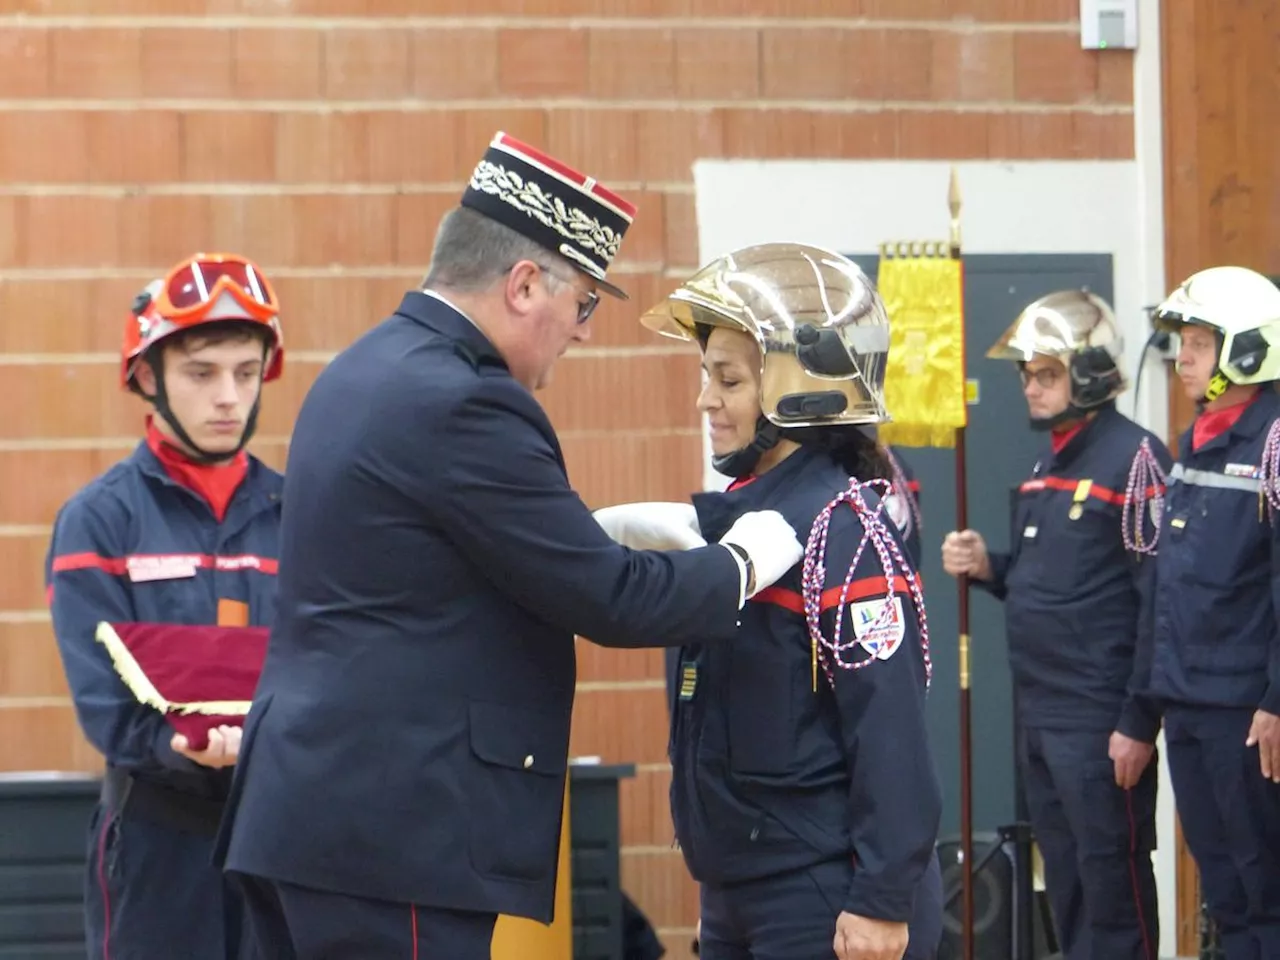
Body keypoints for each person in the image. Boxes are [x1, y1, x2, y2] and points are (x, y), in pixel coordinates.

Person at [213, 131, 804, 959]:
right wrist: (740, 562)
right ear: (525, 283)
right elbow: (611, 600)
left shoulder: (365, 368)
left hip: (316, 817)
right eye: (585, 303)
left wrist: (589, 538)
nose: (584, 332)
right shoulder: (467, 402)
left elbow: (434, 560)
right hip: (398, 837)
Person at [620, 242, 943, 960]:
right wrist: (725, 895)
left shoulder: (842, 528)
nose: (706, 399)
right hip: (748, 892)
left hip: (825, 896)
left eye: (727, 380)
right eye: (708, 376)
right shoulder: (738, 521)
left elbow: (887, 727)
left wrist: (883, 901)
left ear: (800, 391)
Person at [44, 253, 286, 960]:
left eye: (246, 373)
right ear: (148, 377)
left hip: (283, 837)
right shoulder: (99, 522)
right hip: (157, 845)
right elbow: (107, 706)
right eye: (202, 373)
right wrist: (183, 752)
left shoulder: (299, 514)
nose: (228, 399)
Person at [940, 289, 1168, 960]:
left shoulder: (1136, 460)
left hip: (1101, 721)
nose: (1032, 390)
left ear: (1091, 373)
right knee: (1064, 888)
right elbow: (1051, 587)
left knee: (1112, 887)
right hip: (1040, 717)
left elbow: (1159, 602)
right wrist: (989, 566)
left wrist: (1138, 720)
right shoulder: (1047, 468)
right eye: (1027, 376)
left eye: (1047, 375)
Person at [1147, 265, 1280, 959]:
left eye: (1199, 343)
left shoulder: (1275, 444)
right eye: (1184, 343)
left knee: (1266, 892)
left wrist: (1277, 700)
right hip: (1188, 703)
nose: (1183, 359)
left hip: (1246, 712)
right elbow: (1166, 586)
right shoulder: (1192, 442)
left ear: (1246, 352)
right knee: (1225, 892)